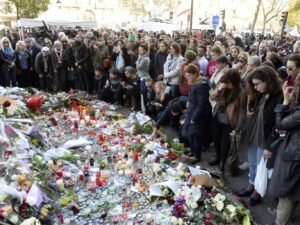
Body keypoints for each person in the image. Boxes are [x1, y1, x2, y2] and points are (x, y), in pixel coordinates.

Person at [236, 66, 283, 206]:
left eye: (257, 84)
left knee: (261, 167)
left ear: (268, 80)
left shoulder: (280, 96)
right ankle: (251, 186)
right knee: (252, 163)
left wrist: (271, 145)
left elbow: (279, 125)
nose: (255, 87)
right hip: (254, 134)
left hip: (265, 138)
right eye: (253, 85)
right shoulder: (262, 93)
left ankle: (257, 193)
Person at [268, 80, 300, 225]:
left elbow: (281, 124)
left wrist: (286, 101)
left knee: (286, 193)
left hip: (294, 155)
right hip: (294, 153)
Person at [209, 69, 246, 172]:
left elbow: (242, 112)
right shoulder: (223, 87)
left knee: (225, 143)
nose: (227, 84)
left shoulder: (241, 92)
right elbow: (211, 97)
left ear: (234, 81)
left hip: (229, 122)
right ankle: (218, 157)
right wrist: (218, 90)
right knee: (216, 140)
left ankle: (223, 162)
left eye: (229, 83)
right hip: (217, 118)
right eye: (226, 82)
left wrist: (238, 128)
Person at [181, 64, 211, 164]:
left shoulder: (201, 85)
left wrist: (195, 117)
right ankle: (193, 152)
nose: (187, 77)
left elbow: (202, 104)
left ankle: (196, 156)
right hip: (192, 111)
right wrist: (189, 101)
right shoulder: (196, 82)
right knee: (191, 134)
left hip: (197, 114)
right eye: (186, 75)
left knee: (195, 135)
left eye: (189, 75)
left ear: (194, 74)